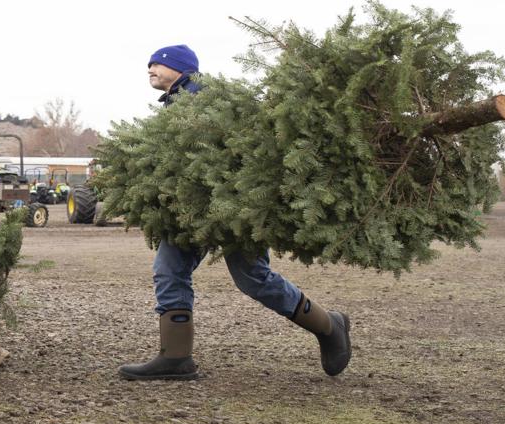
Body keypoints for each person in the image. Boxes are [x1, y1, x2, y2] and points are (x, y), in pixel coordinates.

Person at [118, 44, 352, 381]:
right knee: (169, 269)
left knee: (254, 279)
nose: (150, 68)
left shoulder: (208, 98)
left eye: (157, 63)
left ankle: (330, 326)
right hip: (191, 211)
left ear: (181, 67)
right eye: (149, 65)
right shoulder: (175, 102)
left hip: (232, 208)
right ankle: (176, 358)